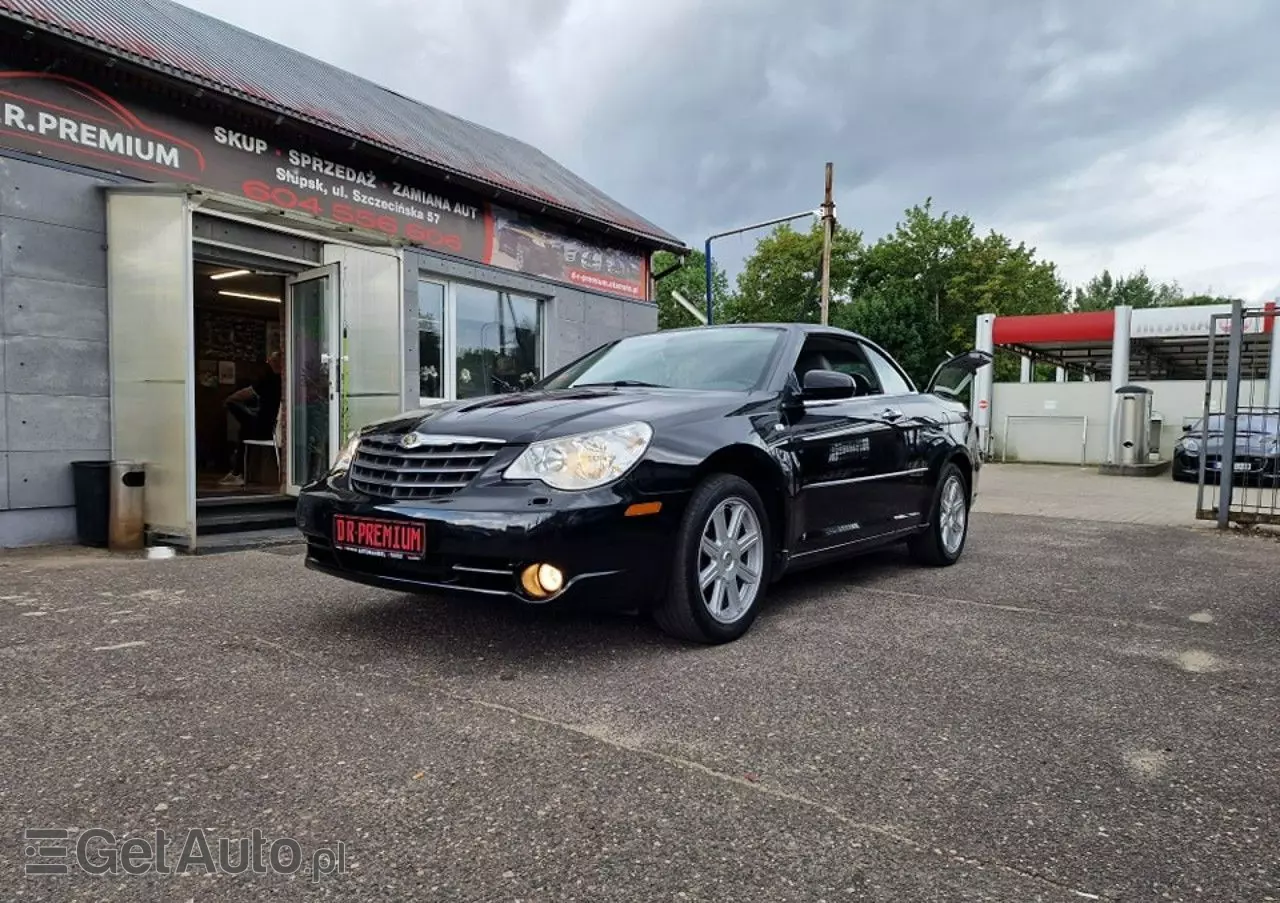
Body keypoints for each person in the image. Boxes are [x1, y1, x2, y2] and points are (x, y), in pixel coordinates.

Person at [219, 350, 283, 486]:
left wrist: (230, 401)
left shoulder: (269, 379)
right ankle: (237, 472)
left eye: (269, 361)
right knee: (245, 427)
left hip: (266, 426)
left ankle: (237, 473)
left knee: (241, 423)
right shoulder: (284, 381)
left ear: (273, 363)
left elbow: (243, 395)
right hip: (274, 425)